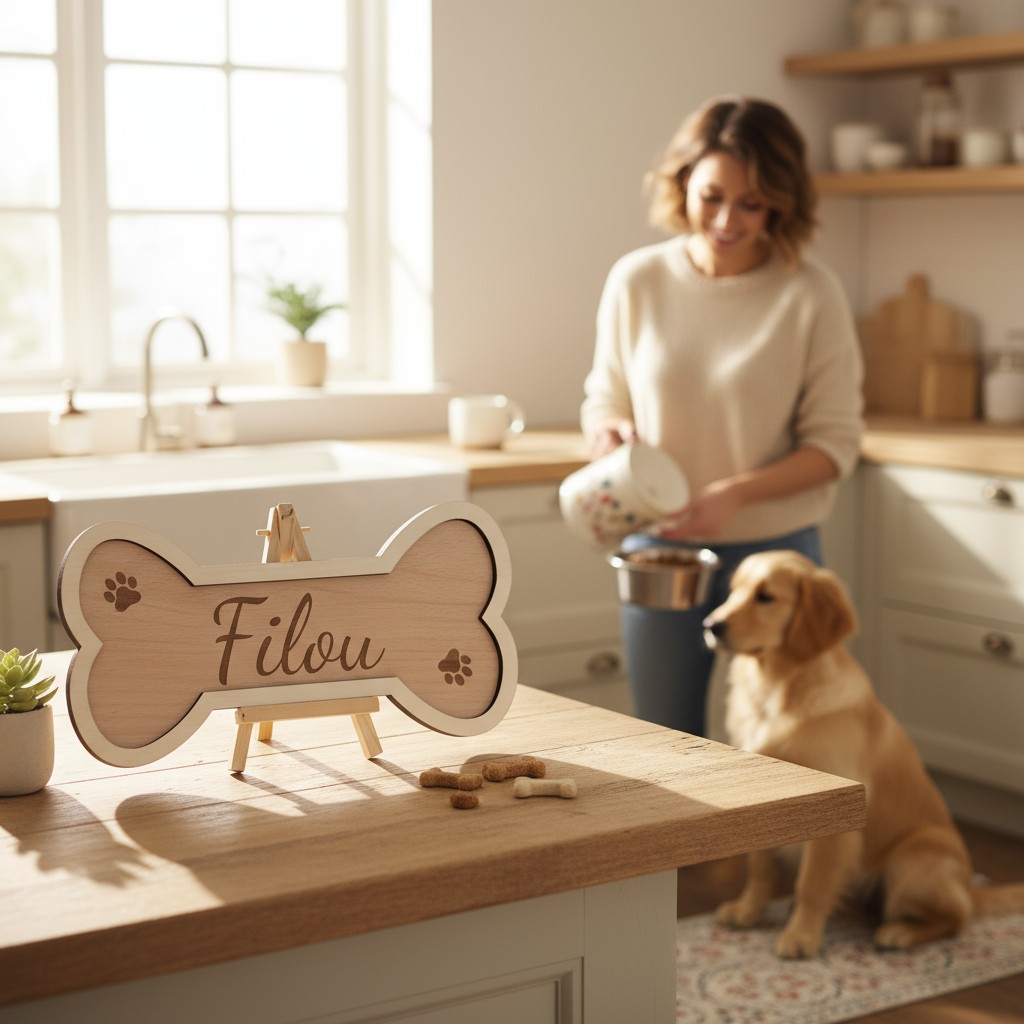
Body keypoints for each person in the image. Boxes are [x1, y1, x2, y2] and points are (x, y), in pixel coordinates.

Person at [580, 96, 864, 737]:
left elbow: (834, 445)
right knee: (665, 738)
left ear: (782, 204)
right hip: (661, 549)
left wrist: (733, 496)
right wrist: (606, 430)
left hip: (776, 557)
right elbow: (605, 396)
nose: (727, 219)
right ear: (683, 184)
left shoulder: (811, 293)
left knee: (788, 742)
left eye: (752, 203)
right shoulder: (637, 281)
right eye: (711, 196)